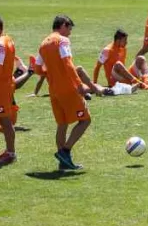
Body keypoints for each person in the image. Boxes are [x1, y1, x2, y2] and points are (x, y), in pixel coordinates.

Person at [38, 15, 103, 171]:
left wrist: (52, 75)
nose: (70, 33)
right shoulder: (62, 40)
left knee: (62, 124)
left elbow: (37, 68)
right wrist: (79, 85)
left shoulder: (43, 44)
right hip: (67, 88)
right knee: (85, 120)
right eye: (69, 29)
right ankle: (65, 151)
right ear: (63, 25)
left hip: (53, 90)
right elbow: (67, 63)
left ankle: (63, 164)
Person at [0, 13, 36, 164]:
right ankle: (8, 150)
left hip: (1, 88)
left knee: (5, 121)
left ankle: (11, 153)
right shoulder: (8, 40)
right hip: (6, 85)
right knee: (4, 119)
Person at [93, 29, 148, 94]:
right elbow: (97, 67)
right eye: (124, 40)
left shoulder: (123, 48)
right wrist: (94, 84)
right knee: (118, 64)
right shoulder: (107, 50)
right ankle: (137, 82)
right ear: (118, 40)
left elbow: (123, 68)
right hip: (114, 79)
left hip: (124, 76)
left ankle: (146, 80)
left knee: (143, 62)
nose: (126, 42)